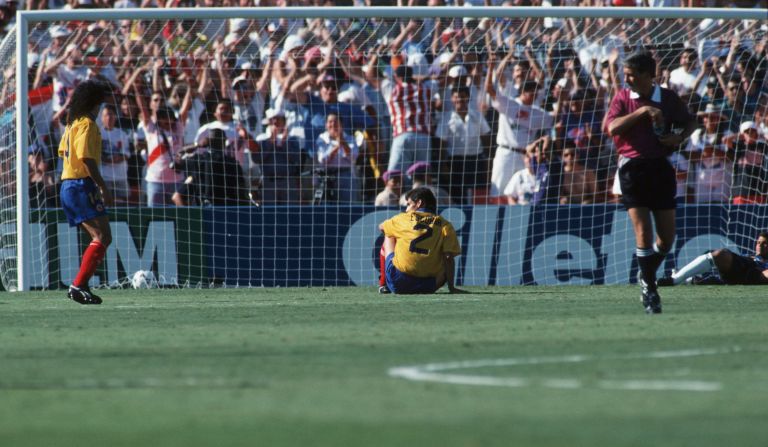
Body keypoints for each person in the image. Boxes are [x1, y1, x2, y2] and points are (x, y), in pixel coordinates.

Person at [604, 51, 697, 314]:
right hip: (632, 168)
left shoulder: (667, 98)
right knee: (642, 233)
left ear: (649, 75)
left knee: (666, 240)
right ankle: (650, 290)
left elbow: (690, 122)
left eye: (632, 74)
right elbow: (612, 128)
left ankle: (645, 274)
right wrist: (643, 111)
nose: (627, 79)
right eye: (626, 74)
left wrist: (679, 138)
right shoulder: (623, 98)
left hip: (660, 169)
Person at [57, 80, 112, 305]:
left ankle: (81, 285)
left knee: (100, 237)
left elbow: (63, 152)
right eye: (100, 104)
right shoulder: (87, 124)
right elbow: (86, 157)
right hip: (80, 185)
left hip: (68, 184)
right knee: (102, 236)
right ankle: (78, 285)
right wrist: (101, 185)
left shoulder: (73, 124)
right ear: (94, 103)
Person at [377, 187, 464, 295]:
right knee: (445, 254)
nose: (406, 209)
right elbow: (448, 258)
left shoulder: (402, 218)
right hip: (429, 286)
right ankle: (448, 286)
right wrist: (451, 287)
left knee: (389, 233)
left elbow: (381, 227)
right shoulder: (445, 225)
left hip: (398, 282)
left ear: (419, 203)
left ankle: (383, 284)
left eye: (408, 204)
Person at [657, 232, 768, 286]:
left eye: (764, 243)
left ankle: (690, 280)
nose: (759, 245)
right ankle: (675, 279)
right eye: (758, 243)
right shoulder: (748, 258)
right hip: (743, 271)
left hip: (755, 277)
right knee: (720, 254)